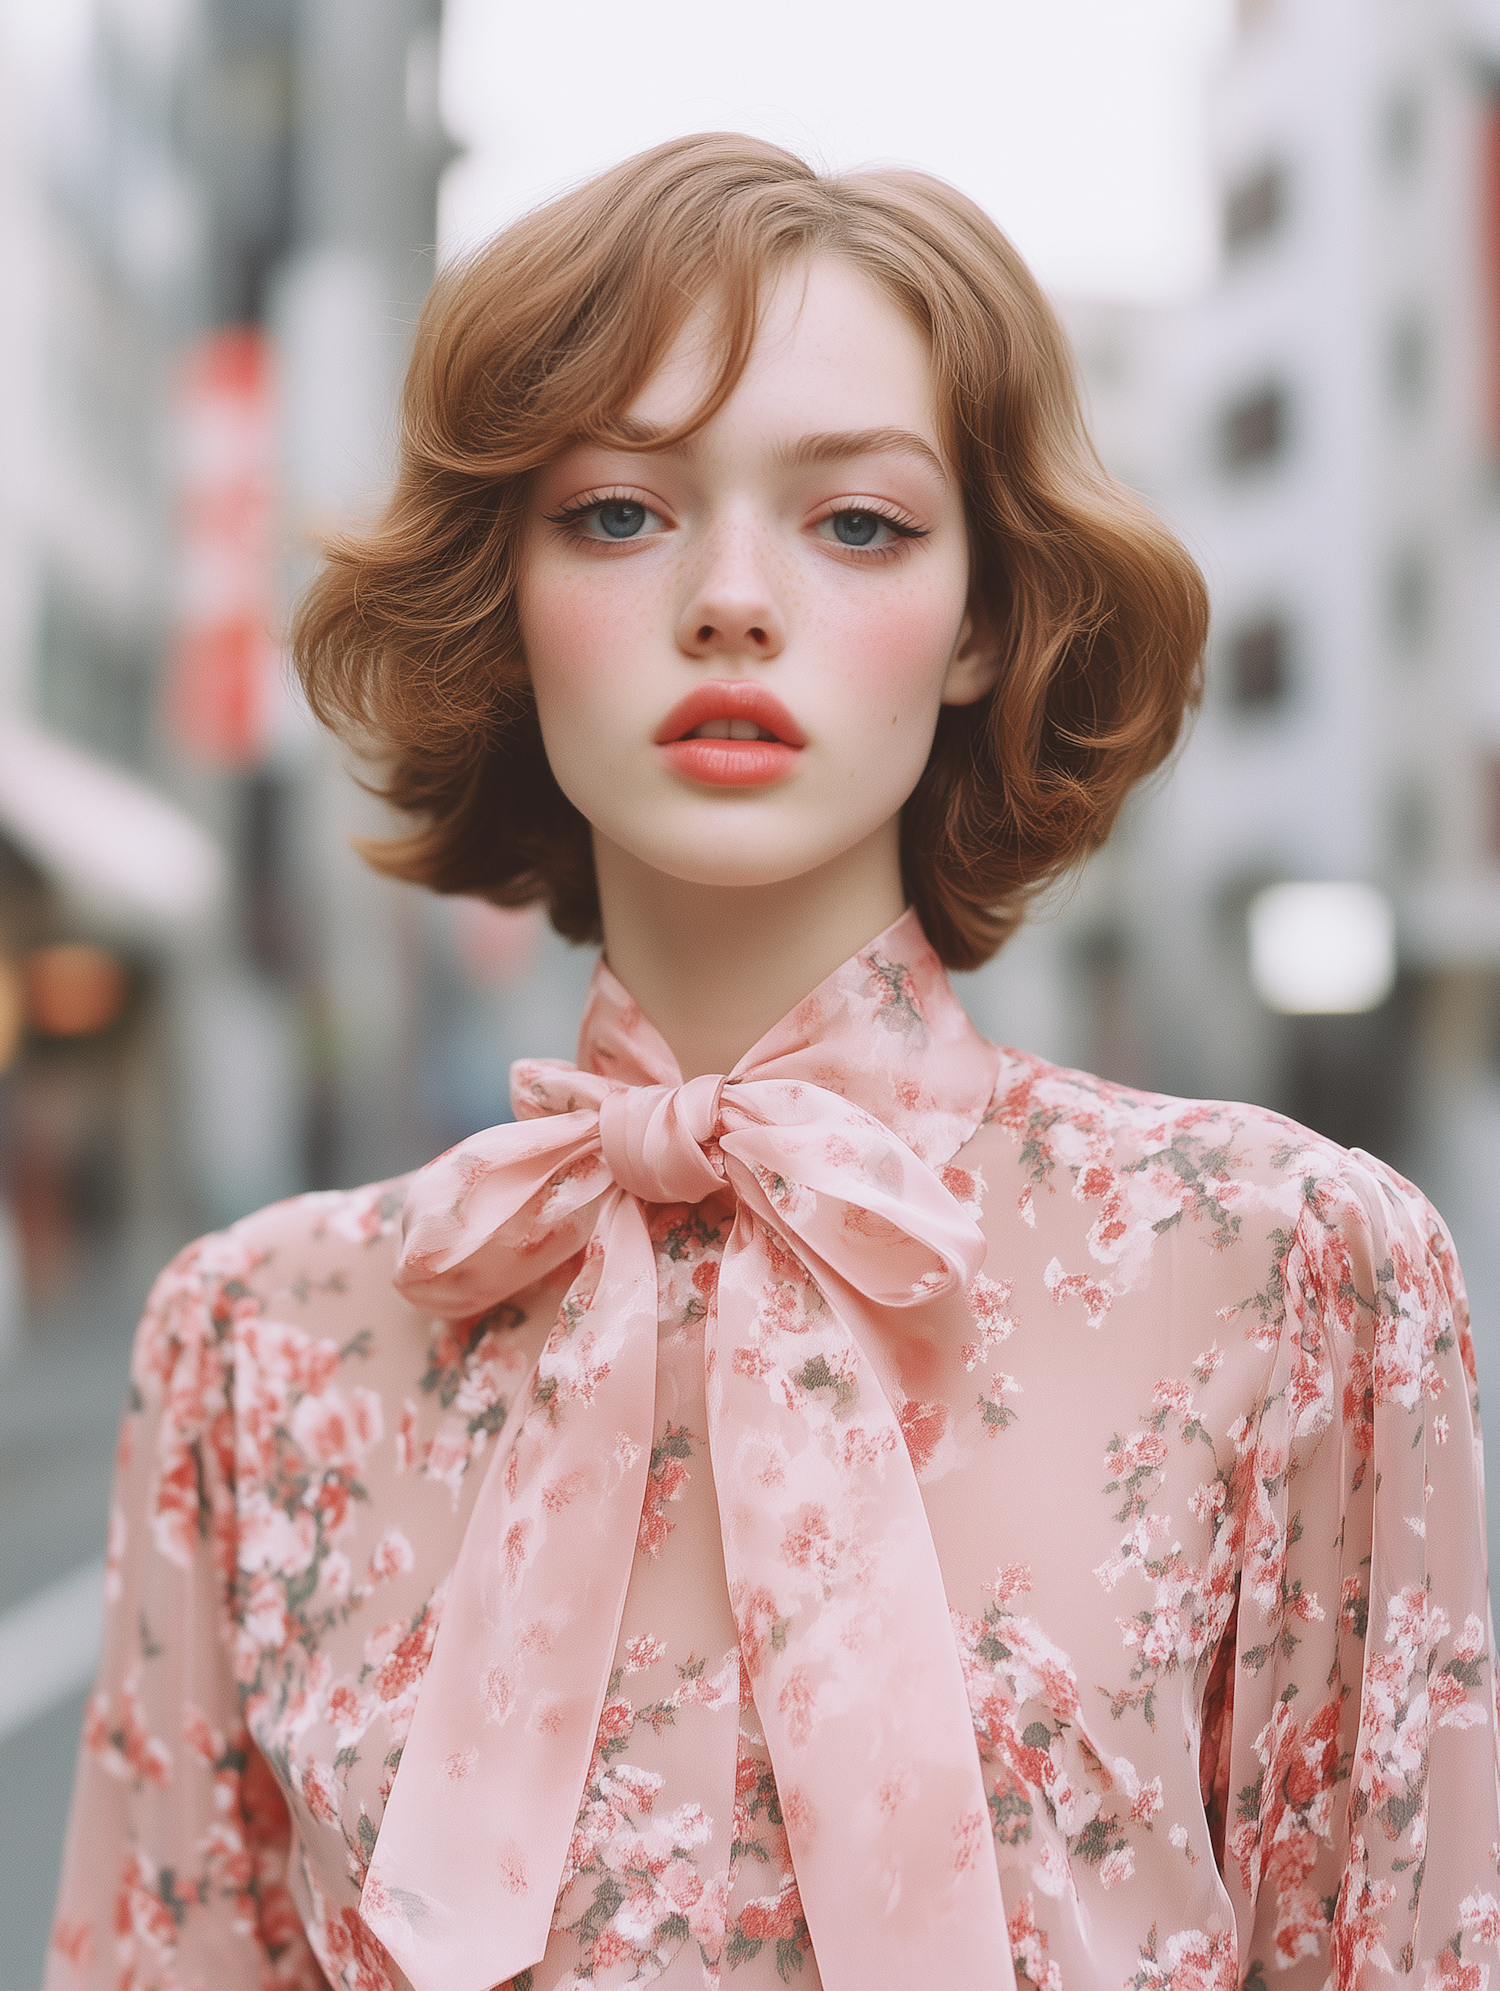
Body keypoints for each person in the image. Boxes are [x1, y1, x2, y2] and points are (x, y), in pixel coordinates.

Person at [47, 133, 1500, 1991]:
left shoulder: (1289, 1268)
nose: (732, 596)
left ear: (982, 620)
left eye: (859, 522)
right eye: (619, 513)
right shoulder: (258, 1346)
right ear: (507, 595)